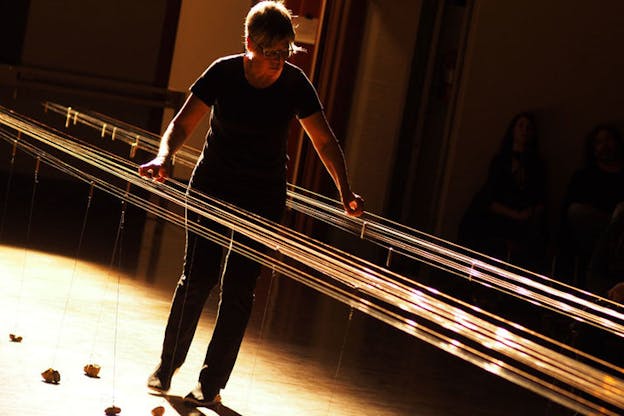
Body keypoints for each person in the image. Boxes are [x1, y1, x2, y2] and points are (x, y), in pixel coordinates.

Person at [138, 1, 363, 407]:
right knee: (197, 279)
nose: (278, 61)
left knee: (239, 290)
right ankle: (167, 365)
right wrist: (165, 156)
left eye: (284, 52)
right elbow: (182, 123)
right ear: (249, 44)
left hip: (262, 196)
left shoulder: (295, 84)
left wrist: (344, 191)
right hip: (213, 188)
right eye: (270, 52)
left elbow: (324, 140)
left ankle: (211, 383)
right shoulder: (223, 72)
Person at [458, 112, 548, 272]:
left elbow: (539, 197)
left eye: (528, 127)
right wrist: (515, 215)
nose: (524, 131)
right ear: (512, 130)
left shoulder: (537, 165)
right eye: (520, 126)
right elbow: (490, 198)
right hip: (498, 216)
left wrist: (529, 214)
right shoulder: (501, 161)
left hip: (523, 218)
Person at [556, 124, 624, 288]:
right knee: (576, 211)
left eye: (608, 140)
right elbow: (568, 212)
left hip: (622, 233)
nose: (605, 146)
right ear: (593, 149)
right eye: (599, 142)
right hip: (594, 235)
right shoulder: (583, 177)